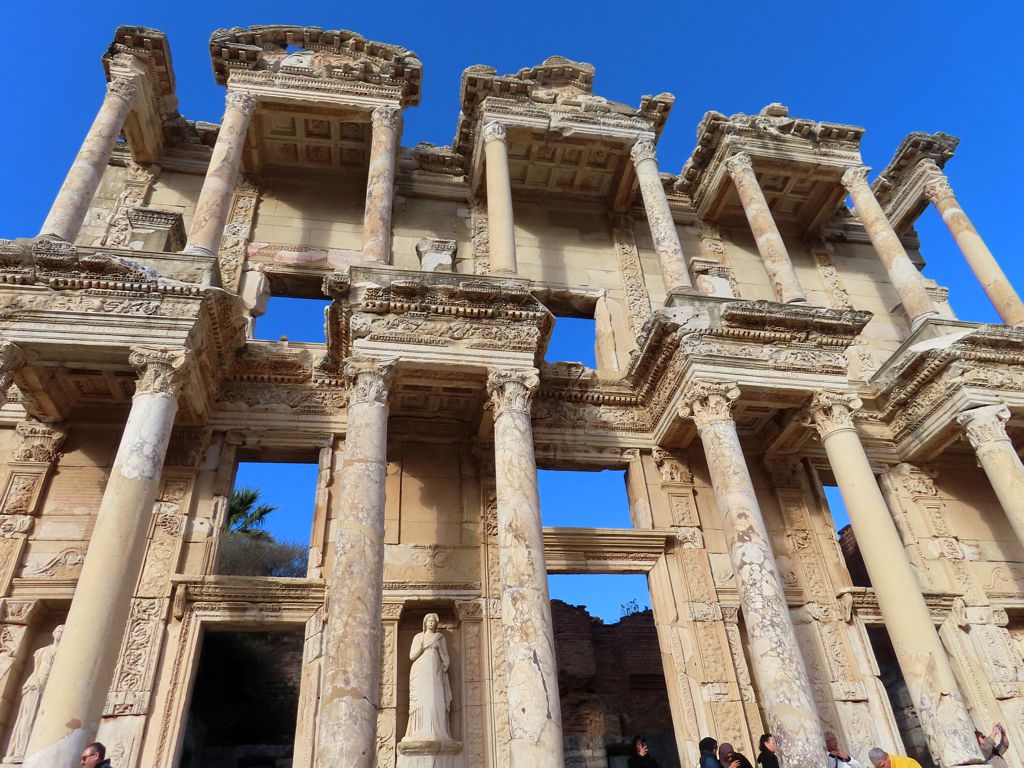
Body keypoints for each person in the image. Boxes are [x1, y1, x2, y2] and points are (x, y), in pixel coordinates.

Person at [403, 612, 452, 742]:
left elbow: (445, 654)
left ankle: (438, 730)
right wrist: (422, 646)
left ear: (436, 623)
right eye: (429, 620)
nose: (431, 622)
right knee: (421, 699)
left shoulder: (439, 637)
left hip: (435, 670)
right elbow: (412, 656)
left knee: (436, 698)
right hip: (420, 670)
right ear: (425, 623)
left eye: (433, 621)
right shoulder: (418, 637)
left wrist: (446, 663)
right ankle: (417, 732)